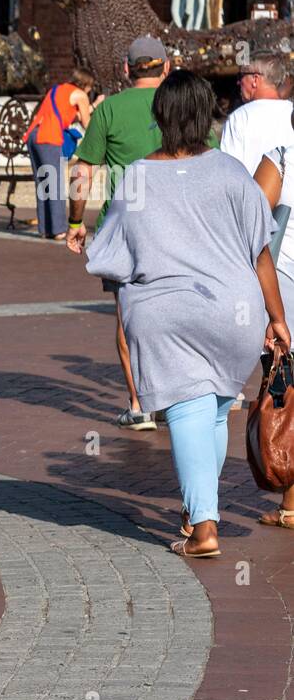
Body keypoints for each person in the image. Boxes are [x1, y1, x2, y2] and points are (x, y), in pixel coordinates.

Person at [85, 69, 289, 559]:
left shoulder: (137, 175)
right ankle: (199, 507)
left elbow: (109, 254)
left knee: (190, 411)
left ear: (161, 116)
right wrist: (276, 318)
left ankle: (203, 528)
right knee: (214, 408)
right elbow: (261, 253)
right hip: (234, 312)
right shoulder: (230, 172)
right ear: (207, 117)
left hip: (167, 313)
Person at [67, 35, 171, 432]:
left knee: (128, 314)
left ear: (127, 70)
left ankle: (139, 404)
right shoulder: (178, 103)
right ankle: (176, 395)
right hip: (177, 222)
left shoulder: (109, 108)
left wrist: (76, 223)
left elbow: (82, 171)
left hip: (125, 226)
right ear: (165, 68)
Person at [248, 104, 294, 531]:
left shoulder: (282, 156)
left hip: (288, 283)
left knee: (290, 392)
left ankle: (292, 505)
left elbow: (253, 225)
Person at [24, 67, 95, 240]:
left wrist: (94, 106)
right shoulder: (81, 95)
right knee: (54, 183)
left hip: (34, 135)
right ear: (87, 84)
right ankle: (59, 229)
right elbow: (86, 123)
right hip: (49, 137)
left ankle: (45, 228)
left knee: (43, 183)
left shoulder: (57, 89)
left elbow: (66, 115)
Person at [220, 53, 294, 175]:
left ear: (255, 79)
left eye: (241, 76)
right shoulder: (291, 112)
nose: (238, 82)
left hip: (253, 193)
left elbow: (229, 173)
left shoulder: (239, 118)